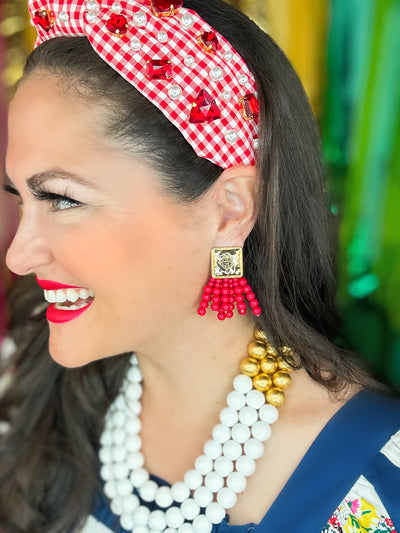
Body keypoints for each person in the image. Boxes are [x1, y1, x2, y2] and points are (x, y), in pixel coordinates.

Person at [0, 0, 399, 532]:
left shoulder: (369, 480)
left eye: (63, 200)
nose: (18, 254)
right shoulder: (30, 385)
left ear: (229, 210)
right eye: (21, 199)